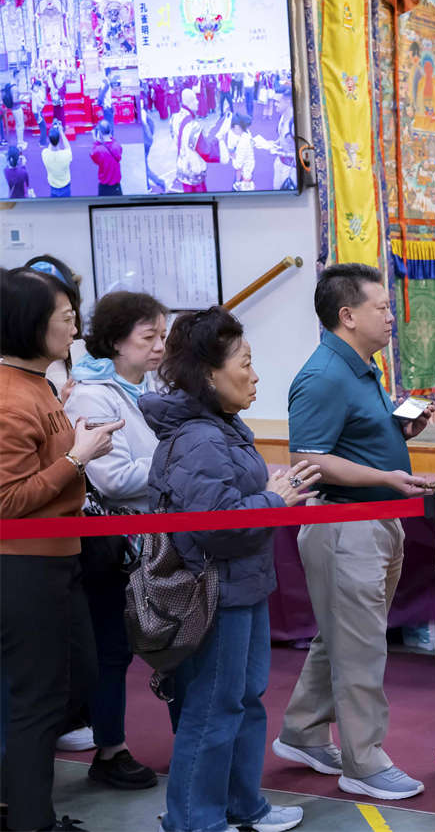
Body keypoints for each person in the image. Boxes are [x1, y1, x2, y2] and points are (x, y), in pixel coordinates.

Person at [141, 306, 321, 832]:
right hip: (214, 590)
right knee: (213, 709)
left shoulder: (222, 426)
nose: (255, 375)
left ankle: (244, 805)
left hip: (241, 584)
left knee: (241, 700)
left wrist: (271, 494)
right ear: (209, 374)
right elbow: (217, 525)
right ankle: (194, 820)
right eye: (245, 362)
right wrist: (273, 498)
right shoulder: (199, 438)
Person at [274, 265, 434, 800]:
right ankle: (363, 761)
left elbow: (355, 438)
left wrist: (401, 428)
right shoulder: (323, 376)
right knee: (361, 649)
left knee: (342, 638)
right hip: (344, 526)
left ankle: (302, 731)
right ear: (347, 315)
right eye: (381, 307)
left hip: (375, 522)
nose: (391, 317)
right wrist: (385, 477)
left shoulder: (362, 367)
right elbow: (308, 460)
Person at [0, 266, 124, 832]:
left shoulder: (39, 384)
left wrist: (78, 444)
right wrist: (77, 458)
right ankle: (31, 819)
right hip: (24, 565)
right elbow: (8, 501)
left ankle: (16, 798)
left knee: (75, 680)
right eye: (65, 318)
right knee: (39, 699)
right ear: (30, 325)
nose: (75, 329)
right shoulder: (10, 398)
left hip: (58, 557)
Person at [62, 291, 169, 791]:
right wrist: (178, 463)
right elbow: (114, 479)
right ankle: (110, 748)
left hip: (152, 539)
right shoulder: (91, 396)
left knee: (159, 643)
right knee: (112, 649)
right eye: (149, 337)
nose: (159, 346)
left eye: (162, 336)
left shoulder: (146, 388)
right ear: (115, 341)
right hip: (113, 545)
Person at [90, 119, 123, 197]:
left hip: (104, 186)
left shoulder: (98, 149)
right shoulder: (117, 145)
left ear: (100, 132)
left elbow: (93, 156)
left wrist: (96, 141)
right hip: (116, 186)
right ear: (110, 131)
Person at [43, 125, 72, 197]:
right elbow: (68, 147)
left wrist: (52, 135)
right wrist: (61, 132)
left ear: (49, 140)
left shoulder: (45, 154)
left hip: (53, 187)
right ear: (59, 140)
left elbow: (50, 147)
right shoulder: (66, 155)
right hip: (65, 187)